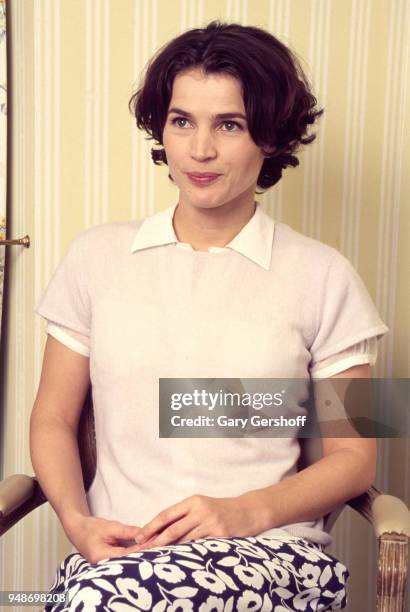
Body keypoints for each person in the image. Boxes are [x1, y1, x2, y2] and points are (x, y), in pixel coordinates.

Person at [31, 20, 388, 611]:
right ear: (162, 129)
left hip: (270, 553)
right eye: (182, 121)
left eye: (230, 124)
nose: (200, 150)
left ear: (270, 136)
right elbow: (51, 418)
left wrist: (241, 512)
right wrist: (76, 521)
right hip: (120, 556)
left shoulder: (327, 274)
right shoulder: (94, 256)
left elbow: (356, 459)